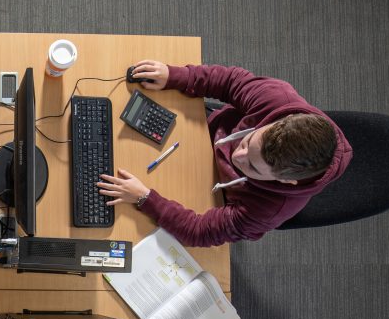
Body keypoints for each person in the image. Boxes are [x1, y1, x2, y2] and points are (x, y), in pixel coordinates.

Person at [97, 61, 352, 246]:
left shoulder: (269, 210)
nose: (237, 157)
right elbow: (231, 81)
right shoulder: (277, 99)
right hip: (200, 131)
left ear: (285, 181)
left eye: (252, 167)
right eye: (247, 141)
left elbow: (199, 231)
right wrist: (177, 76)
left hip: (209, 194)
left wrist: (145, 198)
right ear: (274, 122)